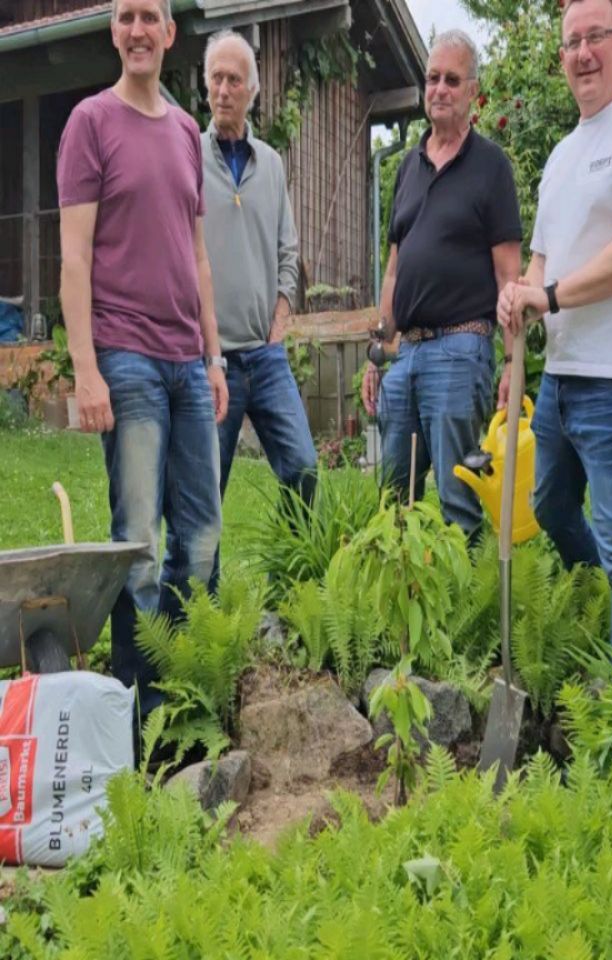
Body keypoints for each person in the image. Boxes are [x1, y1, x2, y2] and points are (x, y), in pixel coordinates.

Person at [498, 0, 612, 667]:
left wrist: (544, 294)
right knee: (549, 507)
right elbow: (545, 259)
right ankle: (604, 601)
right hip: (564, 378)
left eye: (594, 37)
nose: (582, 53)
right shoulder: (561, 156)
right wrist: (522, 297)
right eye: (571, 42)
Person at [56, 0, 228, 718]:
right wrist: (85, 367)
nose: (136, 30)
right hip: (125, 359)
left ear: (168, 33)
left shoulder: (189, 131)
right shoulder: (90, 123)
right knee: (140, 541)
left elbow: (197, 256)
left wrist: (215, 357)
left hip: (188, 363)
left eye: (148, 16)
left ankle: (191, 684)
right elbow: (71, 256)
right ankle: (143, 708)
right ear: (112, 31)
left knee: (205, 533)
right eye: (124, 16)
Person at [361, 30, 522, 539]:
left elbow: (509, 276)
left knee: (459, 500)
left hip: (461, 348)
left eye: (452, 79)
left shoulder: (491, 167)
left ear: (473, 92)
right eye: (432, 78)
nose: (439, 89)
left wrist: (513, 362)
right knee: (392, 499)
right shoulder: (408, 166)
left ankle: (467, 614)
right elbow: (394, 267)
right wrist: (378, 350)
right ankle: (403, 615)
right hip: (404, 355)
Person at [200, 30, 316, 588]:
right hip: (212, 359)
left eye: (234, 80)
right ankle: (209, 608)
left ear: (253, 90)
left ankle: (293, 587)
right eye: (216, 79)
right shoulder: (188, 157)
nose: (224, 89)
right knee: (207, 492)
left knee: (303, 467)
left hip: (265, 356)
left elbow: (287, 250)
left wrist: (281, 317)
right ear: (207, 86)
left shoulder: (271, 164)